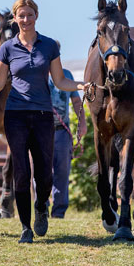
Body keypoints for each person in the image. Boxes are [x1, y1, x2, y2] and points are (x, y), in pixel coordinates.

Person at [0, 0, 89, 243]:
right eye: (21, 16)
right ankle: (26, 227)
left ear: (36, 16)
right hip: (15, 116)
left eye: (29, 15)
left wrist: (79, 84)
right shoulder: (7, 49)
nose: (25, 20)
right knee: (22, 173)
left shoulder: (49, 46)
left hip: (42, 116)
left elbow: (60, 81)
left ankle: (41, 208)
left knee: (44, 174)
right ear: (14, 19)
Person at [47, 57, 87, 218]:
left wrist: (82, 123)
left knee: (63, 171)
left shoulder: (67, 75)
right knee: (41, 171)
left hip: (63, 132)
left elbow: (76, 101)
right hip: (42, 131)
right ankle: (42, 207)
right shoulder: (39, 74)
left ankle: (59, 211)